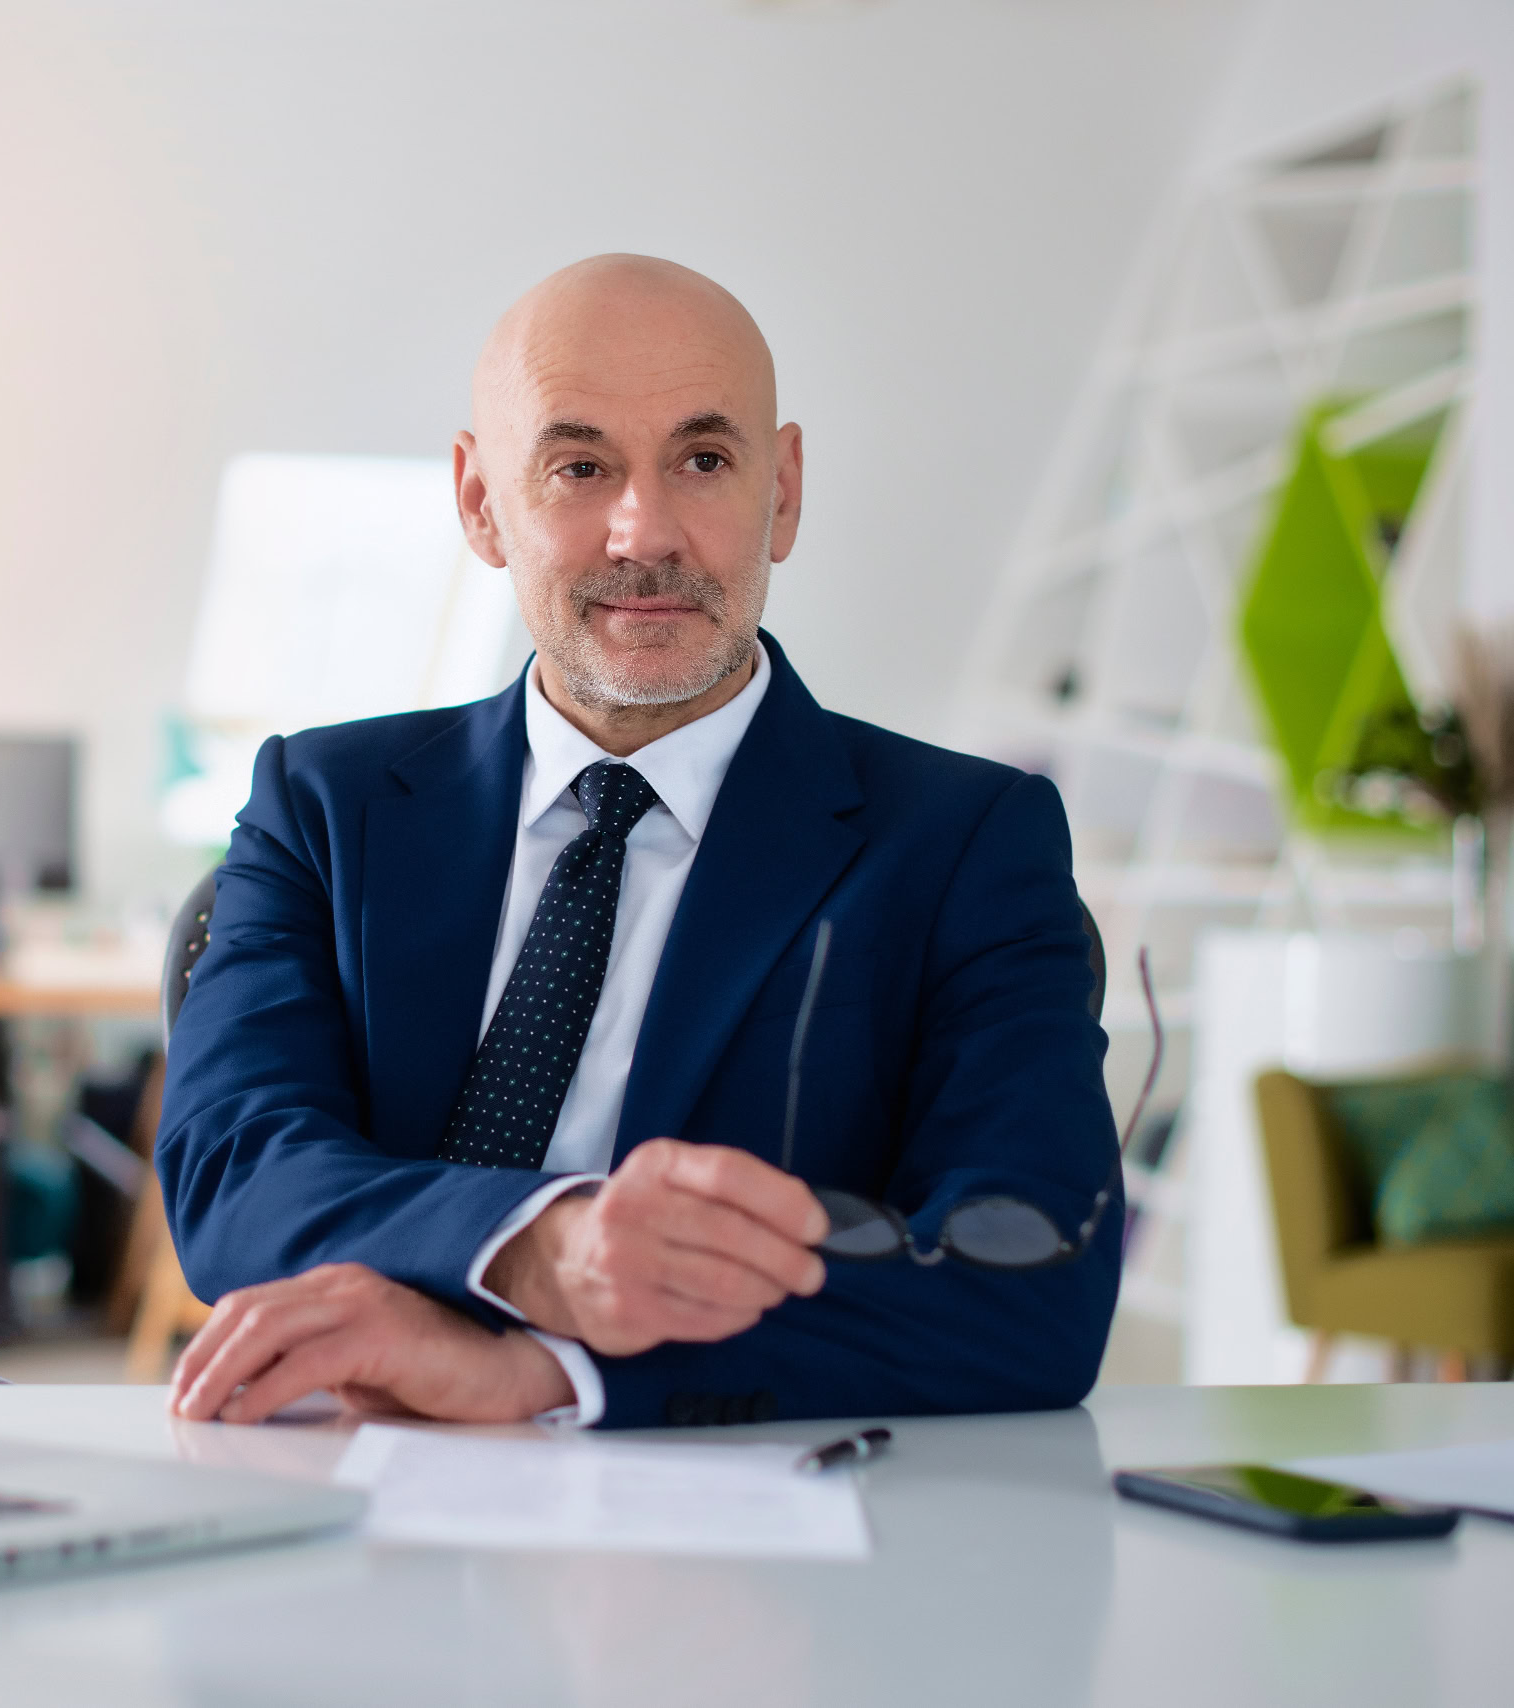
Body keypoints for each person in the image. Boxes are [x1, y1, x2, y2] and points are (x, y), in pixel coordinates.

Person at [157, 254, 1119, 1430]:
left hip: (748, 1539)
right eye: (579, 467)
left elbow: (1030, 1272)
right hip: (346, 1480)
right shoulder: (319, 800)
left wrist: (557, 1372)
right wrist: (537, 1252)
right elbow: (235, 1167)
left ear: (783, 491)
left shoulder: (966, 841)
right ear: (478, 503)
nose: (643, 531)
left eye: (704, 461)